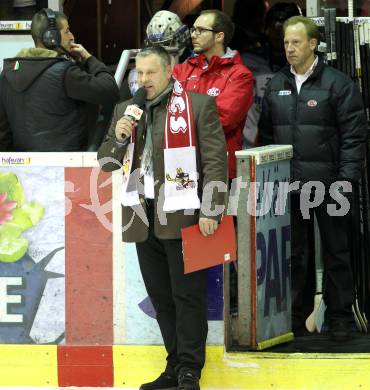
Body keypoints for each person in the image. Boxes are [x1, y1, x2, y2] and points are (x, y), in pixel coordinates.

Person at [98, 45, 227, 390]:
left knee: (188, 296)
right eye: (138, 74)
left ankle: (189, 370)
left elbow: (216, 162)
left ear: (170, 72)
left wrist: (211, 209)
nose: (143, 80)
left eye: (150, 73)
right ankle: (173, 365)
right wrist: (119, 136)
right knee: (161, 298)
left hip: (184, 216)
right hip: (141, 217)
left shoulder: (198, 106)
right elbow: (107, 162)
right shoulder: (126, 110)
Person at [259, 16, 367, 341]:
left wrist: (345, 181)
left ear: (312, 44)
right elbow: (265, 138)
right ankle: (295, 317)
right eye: (286, 43)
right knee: (295, 255)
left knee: (337, 253)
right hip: (290, 187)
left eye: (295, 42)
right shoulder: (276, 84)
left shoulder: (337, 83)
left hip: (330, 184)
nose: (289, 48)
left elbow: (354, 137)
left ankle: (340, 319)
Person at [0, 8, 119, 151]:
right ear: (52, 37)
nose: (72, 36)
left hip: (27, 169)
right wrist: (89, 58)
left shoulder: (7, 74)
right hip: (64, 166)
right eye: (67, 31)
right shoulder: (66, 73)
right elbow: (110, 90)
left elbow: (3, 133)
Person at [172, 9, 253, 180]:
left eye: (200, 30)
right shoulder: (182, 69)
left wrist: (180, 124)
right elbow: (167, 111)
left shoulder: (239, 75)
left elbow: (222, 120)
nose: (193, 35)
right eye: (193, 29)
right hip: (181, 168)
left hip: (218, 168)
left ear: (219, 36)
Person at [242, 2, 301, 148]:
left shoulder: (307, 65)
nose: (276, 33)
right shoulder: (247, 61)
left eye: (282, 29)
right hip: (253, 145)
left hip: (294, 145)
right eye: (272, 27)